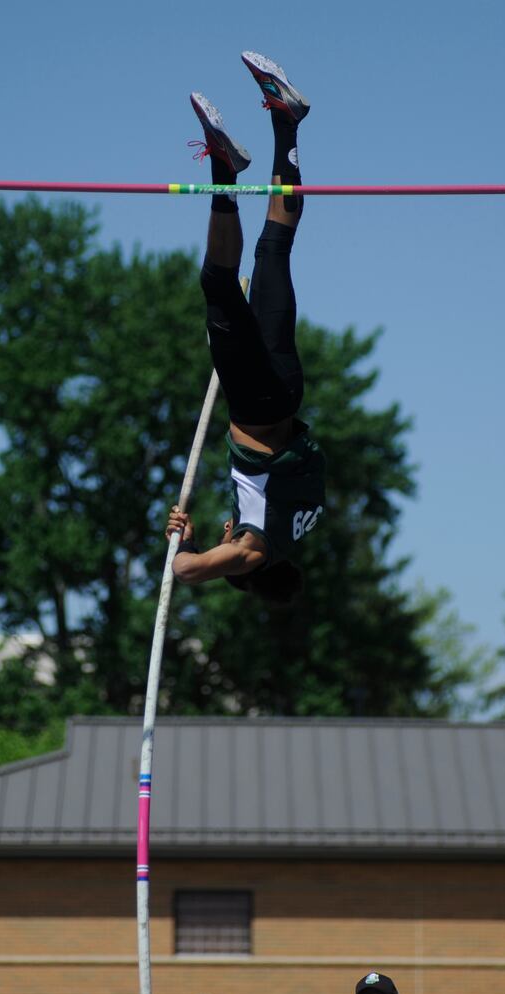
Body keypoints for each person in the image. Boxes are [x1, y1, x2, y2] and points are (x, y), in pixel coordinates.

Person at [166, 52, 326, 605]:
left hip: (284, 393)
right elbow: (187, 572)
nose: (224, 536)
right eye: (224, 547)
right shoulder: (257, 551)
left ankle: (287, 120)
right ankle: (223, 169)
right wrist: (182, 545)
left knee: (274, 250)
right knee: (218, 282)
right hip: (257, 407)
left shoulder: (299, 525)